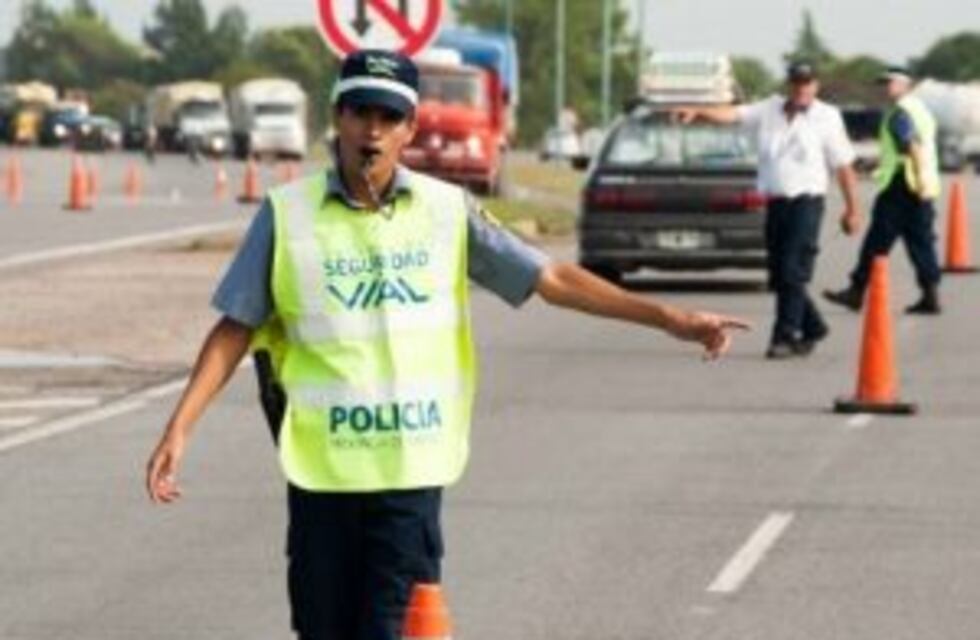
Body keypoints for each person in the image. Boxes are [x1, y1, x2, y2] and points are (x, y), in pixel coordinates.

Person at [144, 49, 748, 640]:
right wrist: (180, 427)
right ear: (337, 120)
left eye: (388, 117)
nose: (372, 131)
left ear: (409, 129)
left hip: (410, 468)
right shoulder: (288, 215)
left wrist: (669, 317)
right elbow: (237, 325)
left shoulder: (445, 211)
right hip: (324, 473)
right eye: (360, 113)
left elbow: (553, 279)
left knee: (387, 627)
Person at [675, 61, 861, 359]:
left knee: (791, 271)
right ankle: (813, 326)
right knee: (779, 275)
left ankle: (784, 336)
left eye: (807, 83)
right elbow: (732, 114)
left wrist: (852, 209)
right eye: (796, 83)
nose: (801, 89)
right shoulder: (769, 110)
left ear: (815, 86)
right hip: (776, 203)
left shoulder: (827, 117)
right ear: (789, 85)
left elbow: (844, 166)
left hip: (806, 203)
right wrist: (698, 112)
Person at [823, 66, 943, 314]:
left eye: (891, 82)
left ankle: (856, 291)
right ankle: (930, 294)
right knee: (921, 240)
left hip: (902, 186)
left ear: (906, 85)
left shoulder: (900, 113)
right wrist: (877, 164)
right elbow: (904, 151)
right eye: (884, 83)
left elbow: (911, 146)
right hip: (919, 187)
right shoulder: (921, 109)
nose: (885, 87)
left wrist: (918, 178)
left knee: (877, 240)